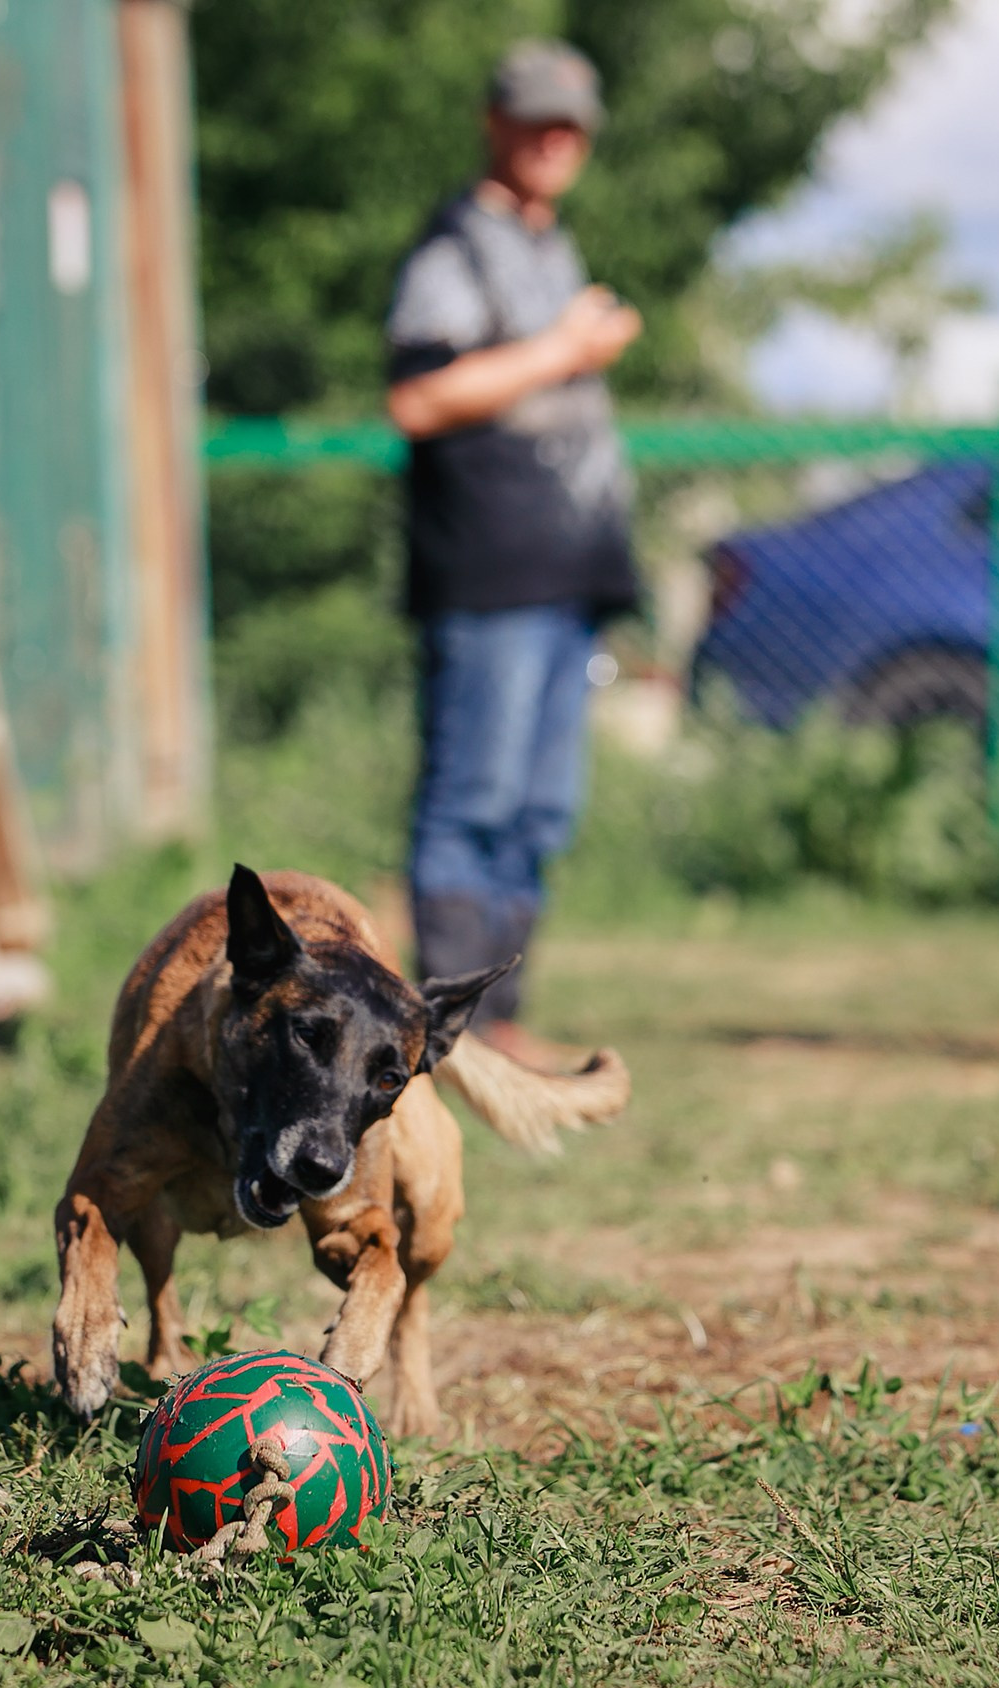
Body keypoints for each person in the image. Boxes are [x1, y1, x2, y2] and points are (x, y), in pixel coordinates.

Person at [383, 40, 644, 1064]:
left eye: (568, 126)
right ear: (493, 123)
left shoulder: (547, 245)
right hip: (487, 575)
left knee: (539, 811)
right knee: (472, 806)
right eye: (533, 120)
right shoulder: (454, 248)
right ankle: (447, 1029)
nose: (551, 141)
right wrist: (564, 352)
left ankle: (502, 1017)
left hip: (562, 574)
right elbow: (417, 396)